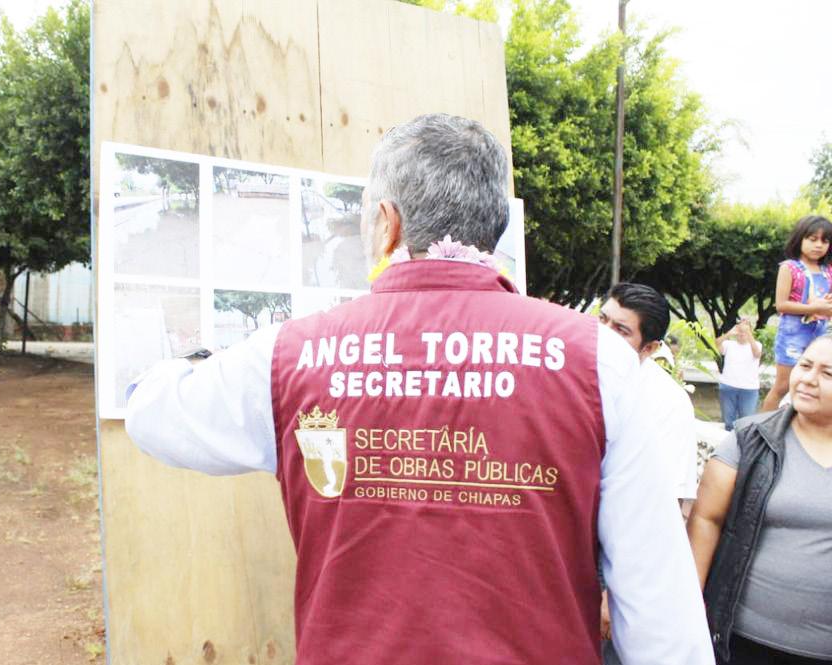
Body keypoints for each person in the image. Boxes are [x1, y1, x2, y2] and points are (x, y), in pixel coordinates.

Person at [125, 113, 712, 664]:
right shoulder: (599, 361)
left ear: (388, 222)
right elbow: (659, 606)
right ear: (493, 225)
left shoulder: (288, 354)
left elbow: (153, 415)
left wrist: (193, 361)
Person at [688, 332, 832, 664]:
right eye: (805, 365)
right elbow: (707, 518)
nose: (809, 379)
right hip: (743, 641)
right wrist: (691, 603)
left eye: (827, 373)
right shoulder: (750, 438)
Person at [596, 282, 702, 664]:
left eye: (621, 330)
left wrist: (614, 592)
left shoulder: (667, 403)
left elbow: (669, 508)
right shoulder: (572, 376)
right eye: (602, 320)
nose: (604, 334)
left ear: (650, 348)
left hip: (619, 564)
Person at [760, 215, 832, 411]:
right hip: (792, 336)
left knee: (814, 385)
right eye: (813, 239)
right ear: (800, 238)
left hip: (820, 337)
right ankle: (760, 427)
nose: (819, 245)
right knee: (783, 387)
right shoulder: (789, 268)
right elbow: (781, 305)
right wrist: (815, 308)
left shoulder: (828, 271)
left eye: (825, 241)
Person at [715, 319, 763, 431]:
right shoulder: (728, 344)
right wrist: (729, 333)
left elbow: (757, 354)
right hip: (728, 386)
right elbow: (716, 343)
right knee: (728, 423)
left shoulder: (756, 345)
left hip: (749, 389)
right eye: (740, 330)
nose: (742, 333)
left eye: (745, 330)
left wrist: (749, 333)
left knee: (746, 423)